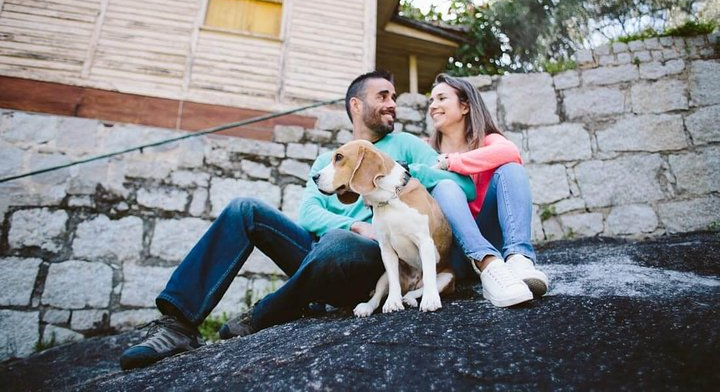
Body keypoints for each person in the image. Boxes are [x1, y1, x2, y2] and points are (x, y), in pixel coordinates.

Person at [119, 70, 475, 370]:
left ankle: (263, 314)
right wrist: (354, 223)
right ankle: (177, 324)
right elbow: (307, 214)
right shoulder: (327, 160)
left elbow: (462, 185)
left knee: (339, 242)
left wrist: (407, 176)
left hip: (375, 259)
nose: (392, 104)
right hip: (324, 254)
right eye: (383, 96)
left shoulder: (405, 145)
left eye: (393, 96)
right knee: (245, 208)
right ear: (356, 105)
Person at [427, 73, 549, 308]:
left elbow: (510, 152)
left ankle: (518, 259)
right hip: (452, 253)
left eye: (441, 98)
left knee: (511, 169)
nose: (433, 106)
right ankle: (487, 264)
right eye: (431, 101)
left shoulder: (488, 140)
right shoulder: (426, 149)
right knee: (445, 186)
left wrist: (451, 162)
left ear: (464, 106)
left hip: (492, 241)